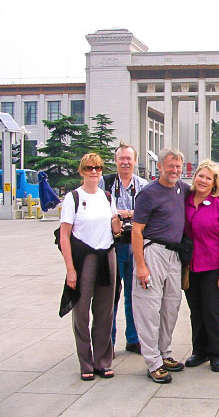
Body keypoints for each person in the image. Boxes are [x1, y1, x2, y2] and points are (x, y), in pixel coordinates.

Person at [59, 153, 121, 381]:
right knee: (81, 312)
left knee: (105, 312)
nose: (94, 172)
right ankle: (86, 362)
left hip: (107, 256)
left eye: (98, 168)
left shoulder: (106, 197)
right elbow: (65, 236)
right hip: (84, 259)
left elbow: (114, 229)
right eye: (89, 168)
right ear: (82, 171)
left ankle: (103, 361)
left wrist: (117, 226)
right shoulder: (73, 198)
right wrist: (70, 269)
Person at [132, 148, 191, 384]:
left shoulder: (181, 189)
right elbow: (137, 230)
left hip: (174, 254)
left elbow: (203, 191)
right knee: (149, 308)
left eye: (178, 166)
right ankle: (153, 362)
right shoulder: (148, 193)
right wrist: (141, 267)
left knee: (171, 306)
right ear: (160, 167)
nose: (175, 170)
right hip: (153, 252)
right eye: (170, 166)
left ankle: (164, 353)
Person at [184, 160, 219, 373]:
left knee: (212, 311)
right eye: (200, 176)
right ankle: (200, 351)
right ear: (195, 177)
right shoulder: (185, 199)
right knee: (195, 311)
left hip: (213, 267)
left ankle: (217, 354)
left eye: (208, 177)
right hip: (190, 267)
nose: (203, 180)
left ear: (215, 182)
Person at [99, 142, 148, 357]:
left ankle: (134, 339)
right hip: (111, 246)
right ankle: (107, 340)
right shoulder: (105, 182)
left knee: (134, 294)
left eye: (129, 158)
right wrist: (128, 213)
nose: (125, 162)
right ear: (115, 161)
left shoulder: (144, 185)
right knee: (109, 295)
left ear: (135, 161)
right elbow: (99, 210)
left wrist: (121, 213)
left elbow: (147, 214)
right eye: (121, 159)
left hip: (135, 246)